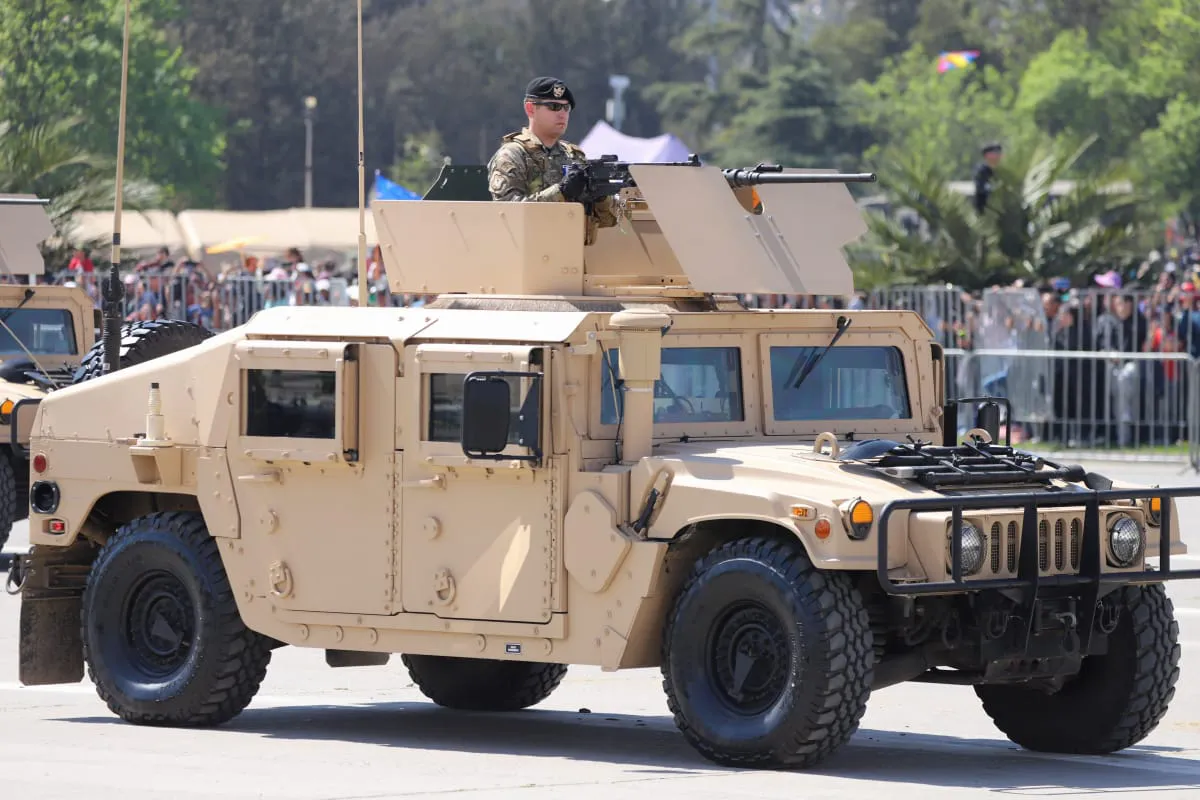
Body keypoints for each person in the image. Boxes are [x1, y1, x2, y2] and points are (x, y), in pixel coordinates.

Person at [487, 76, 619, 243]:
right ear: (530, 109)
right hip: (526, 259)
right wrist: (561, 192)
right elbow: (507, 215)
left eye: (566, 108)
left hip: (572, 258)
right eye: (554, 107)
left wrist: (600, 195)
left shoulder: (574, 157)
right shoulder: (512, 155)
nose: (562, 114)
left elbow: (608, 221)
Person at [973, 143, 1003, 214]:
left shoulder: (999, 171)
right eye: (995, 154)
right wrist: (994, 188)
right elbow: (980, 187)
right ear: (987, 156)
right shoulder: (981, 171)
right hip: (985, 212)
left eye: (999, 154)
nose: (998, 157)